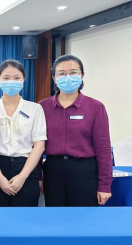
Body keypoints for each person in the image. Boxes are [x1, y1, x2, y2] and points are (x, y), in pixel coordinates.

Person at [39, 55, 112, 206]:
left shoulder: (95, 107)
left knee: (84, 216)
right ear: (54, 78)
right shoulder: (42, 107)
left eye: (73, 72)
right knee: (56, 216)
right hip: (53, 171)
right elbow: (36, 146)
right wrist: (38, 177)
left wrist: (105, 185)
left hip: (84, 171)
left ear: (82, 76)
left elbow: (103, 149)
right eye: (61, 73)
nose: (68, 77)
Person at [0, 60, 47, 207]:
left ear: (23, 79)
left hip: (26, 167)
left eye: (17, 78)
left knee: (24, 217)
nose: (11, 81)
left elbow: (39, 145)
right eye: (6, 78)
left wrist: (22, 177)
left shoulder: (35, 108)